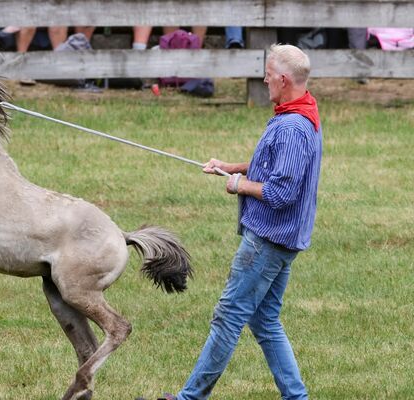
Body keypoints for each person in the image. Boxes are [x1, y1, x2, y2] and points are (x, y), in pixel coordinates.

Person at [158, 44, 322, 400]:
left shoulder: (293, 126)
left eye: (267, 73)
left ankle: (190, 398)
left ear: (282, 78)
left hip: (267, 240)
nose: (263, 79)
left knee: (229, 316)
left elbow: (282, 193)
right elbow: (280, 169)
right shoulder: (297, 112)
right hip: (278, 240)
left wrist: (238, 186)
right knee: (264, 320)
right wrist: (234, 167)